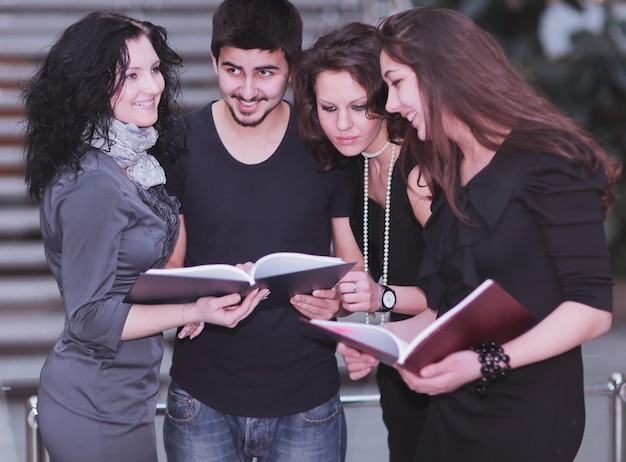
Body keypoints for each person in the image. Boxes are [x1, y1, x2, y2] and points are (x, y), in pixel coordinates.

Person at [338, 6, 621, 462]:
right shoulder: (445, 168)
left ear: (439, 71)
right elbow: (454, 308)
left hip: (528, 415)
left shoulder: (547, 157)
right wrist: (387, 346)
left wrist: (485, 361)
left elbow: (591, 309)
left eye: (395, 82)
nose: (389, 105)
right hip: (454, 408)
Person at [22, 12, 266, 462]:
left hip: (123, 394)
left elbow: (130, 278)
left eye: (154, 69)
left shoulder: (130, 162)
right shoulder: (92, 182)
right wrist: (194, 309)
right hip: (93, 403)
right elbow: (90, 317)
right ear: (91, 83)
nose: (153, 86)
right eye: (131, 74)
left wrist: (212, 287)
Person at [161, 1, 363, 461]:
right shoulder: (179, 143)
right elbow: (172, 260)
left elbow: (351, 261)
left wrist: (338, 299)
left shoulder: (324, 145)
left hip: (306, 398)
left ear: (292, 70)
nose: (248, 90)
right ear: (214, 61)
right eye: (233, 70)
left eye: (266, 73)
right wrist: (187, 299)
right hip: (202, 398)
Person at [290, 22, 431, 462]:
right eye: (329, 107)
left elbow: (467, 290)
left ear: (384, 98)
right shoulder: (348, 166)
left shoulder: (419, 172)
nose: (343, 124)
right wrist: (351, 319)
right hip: (401, 370)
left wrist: (380, 297)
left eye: (358, 106)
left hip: (458, 374)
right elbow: (361, 282)